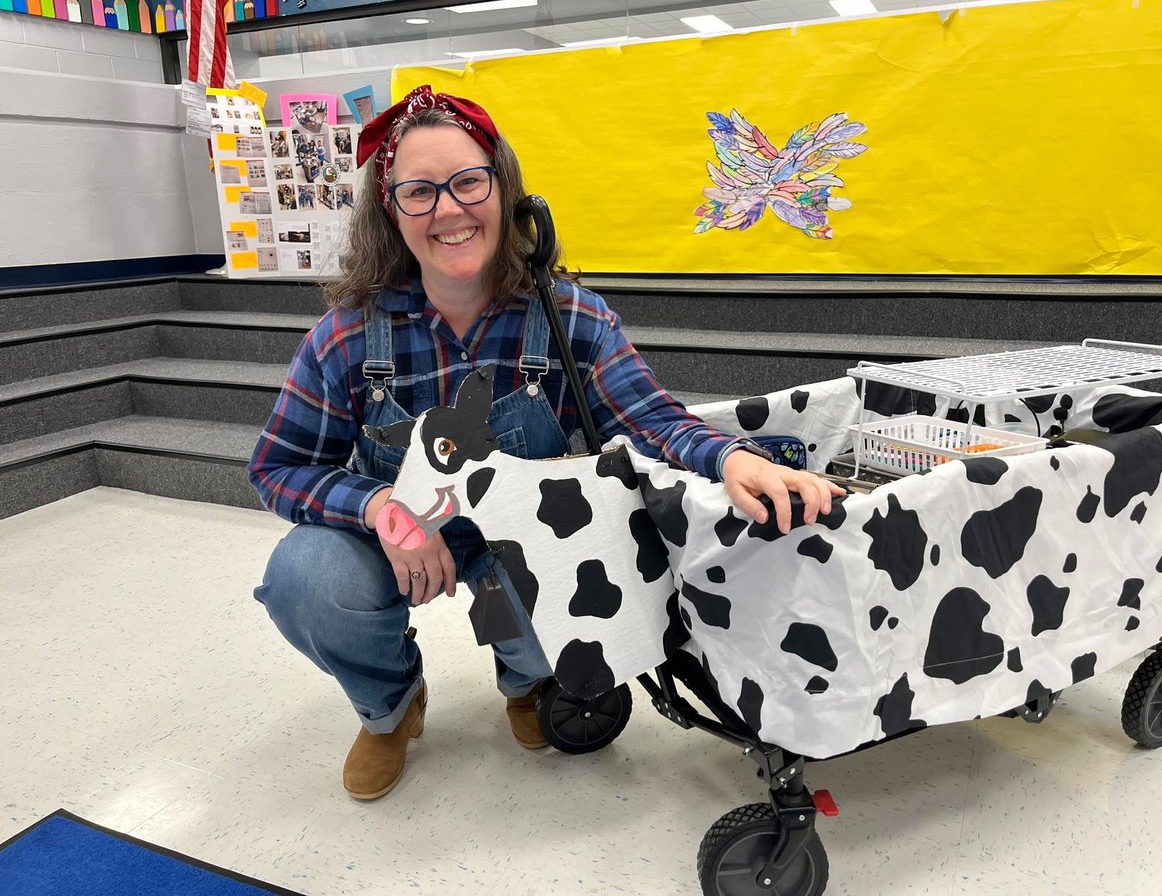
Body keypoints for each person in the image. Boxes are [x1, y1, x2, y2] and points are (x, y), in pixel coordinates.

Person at [247, 84, 844, 802]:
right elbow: (278, 468)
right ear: (390, 209)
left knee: (585, 563)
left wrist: (732, 456)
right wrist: (382, 510)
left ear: (503, 188)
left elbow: (649, 416)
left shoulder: (566, 316)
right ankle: (391, 708)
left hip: (523, 544)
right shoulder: (346, 336)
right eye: (419, 192)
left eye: (468, 182)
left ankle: (528, 682)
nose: (448, 210)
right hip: (401, 545)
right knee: (303, 577)